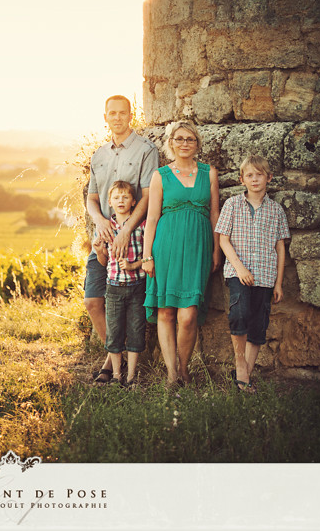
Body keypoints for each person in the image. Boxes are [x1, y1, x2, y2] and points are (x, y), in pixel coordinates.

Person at [85, 95, 159, 385]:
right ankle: (114, 356)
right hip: (103, 238)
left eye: (122, 113)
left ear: (131, 115)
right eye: (111, 113)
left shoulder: (146, 150)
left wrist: (126, 229)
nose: (117, 117)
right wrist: (100, 221)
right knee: (93, 301)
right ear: (105, 117)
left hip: (133, 240)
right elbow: (92, 199)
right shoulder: (99, 155)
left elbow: (147, 196)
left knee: (131, 306)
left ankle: (112, 365)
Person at [142, 121, 220, 386]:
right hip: (165, 247)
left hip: (198, 246)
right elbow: (152, 218)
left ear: (197, 144)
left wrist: (216, 250)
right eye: (179, 139)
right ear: (171, 143)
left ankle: (185, 368)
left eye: (190, 139)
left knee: (187, 315)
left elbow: (214, 214)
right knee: (165, 312)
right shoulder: (160, 175)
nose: (184, 143)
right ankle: (172, 373)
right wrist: (147, 256)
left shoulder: (209, 173)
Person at [215, 154, 290, 393]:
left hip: (266, 276)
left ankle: (245, 377)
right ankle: (240, 365)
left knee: (258, 324)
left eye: (259, 174)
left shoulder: (276, 210)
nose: (254, 179)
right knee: (239, 314)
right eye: (249, 175)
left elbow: (280, 247)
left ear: (268, 178)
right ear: (241, 179)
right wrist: (239, 267)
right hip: (239, 272)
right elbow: (223, 239)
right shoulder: (232, 204)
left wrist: (278, 283)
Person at [91, 181, 147, 387]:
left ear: (134, 202)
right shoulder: (107, 228)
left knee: (135, 331)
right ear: (110, 202)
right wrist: (98, 251)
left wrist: (134, 265)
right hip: (113, 287)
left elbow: (151, 257)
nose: (121, 201)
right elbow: (104, 261)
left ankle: (132, 376)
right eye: (117, 198)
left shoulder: (142, 226)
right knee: (114, 333)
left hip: (137, 287)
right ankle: (116, 375)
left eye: (125, 197)